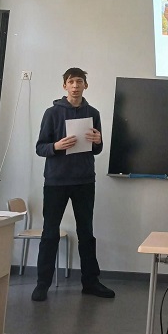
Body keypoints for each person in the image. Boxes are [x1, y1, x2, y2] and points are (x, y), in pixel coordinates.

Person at [32, 68, 115, 302]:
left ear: (85, 85)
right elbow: (40, 147)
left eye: (79, 82)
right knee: (50, 233)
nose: (75, 86)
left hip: (84, 181)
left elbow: (96, 148)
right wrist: (56, 146)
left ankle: (90, 282)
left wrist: (98, 141)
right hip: (56, 182)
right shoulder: (52, 113)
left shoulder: (93, 113)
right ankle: (42, 284)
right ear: (65, 86)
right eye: (71, 82)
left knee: (86, 233)